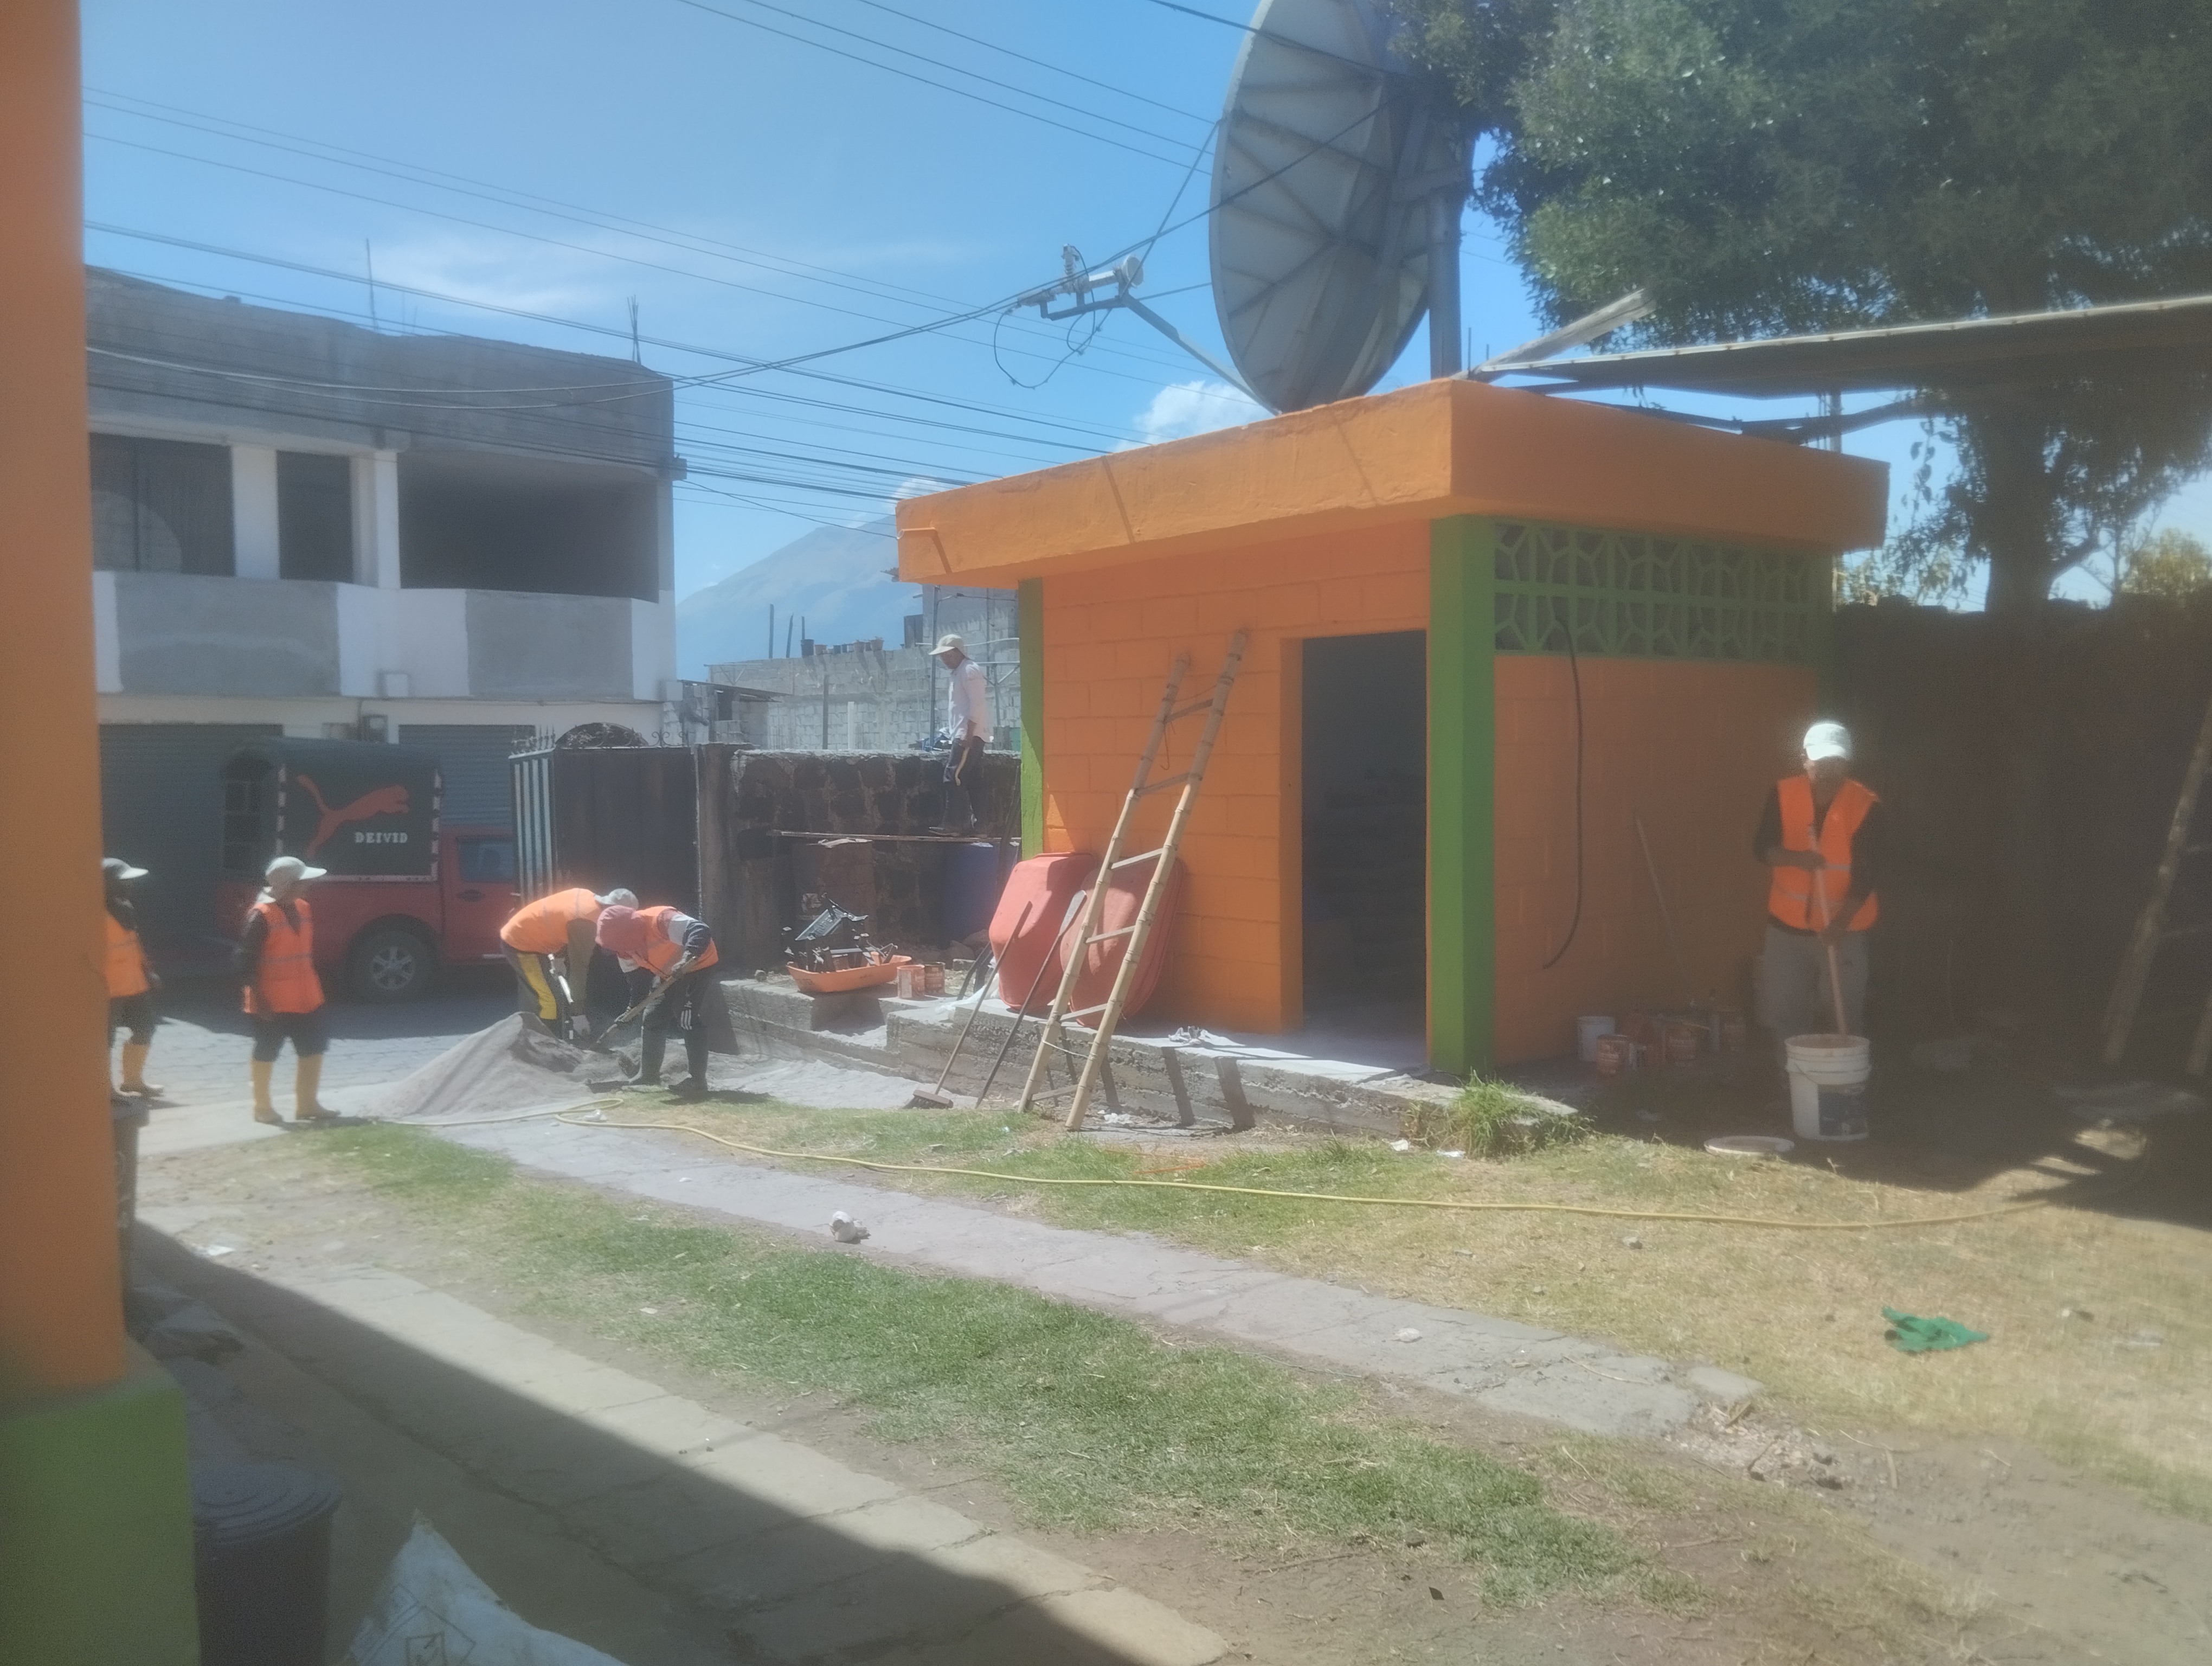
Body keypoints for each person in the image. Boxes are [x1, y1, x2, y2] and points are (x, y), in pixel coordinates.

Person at [1756, 720, 1883, 1058]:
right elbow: (1762, 847)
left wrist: (1840, 923)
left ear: (1848, 763)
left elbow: (1868, 872)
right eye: (1821, 760)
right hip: (1786, 928)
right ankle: (1793, 1077)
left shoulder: (1865, 805)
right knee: (1786, 1011)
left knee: (1843, 1012)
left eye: (1837, 761)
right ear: (1805, 759)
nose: (1829, 769)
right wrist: (1796, 858)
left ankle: (1844, 1078)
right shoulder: (1783, 794)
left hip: (1843, 930)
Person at [237, 854, 335, 1124]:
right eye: (303, 882)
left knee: (313, 1049)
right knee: (267, 1052)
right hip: (271, 1001)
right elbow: (244, 963)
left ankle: (307, 1105)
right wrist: (260, 1001)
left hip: (307, 997)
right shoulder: (260, 917)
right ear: (288, 886)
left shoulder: (303, 908)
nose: (309, 886)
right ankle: (262, 1107)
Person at [594, 903, 719, 1100]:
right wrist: (631, 1011)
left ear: (629, 933)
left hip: (697, 966)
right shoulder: (623, 949)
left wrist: (687, 958)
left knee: (686, 1018)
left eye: (619, 945)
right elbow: (638, 984)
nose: (619, 950)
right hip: (667, 974)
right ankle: (649, 1075)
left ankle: (697, 1081)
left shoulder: (661, 920)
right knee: (652, 1017)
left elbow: (700, 930)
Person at [499, 885, 635, 1040]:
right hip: (522, 944)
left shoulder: (586, 895)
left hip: (532, 938)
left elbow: (559, 920)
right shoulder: (587, 922)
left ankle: (533, 1037)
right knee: (547, 1001)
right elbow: (579, 969)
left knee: (542, 994)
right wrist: (578, 1014)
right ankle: (546, 1043)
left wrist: (559, 958)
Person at [104, 857, 163, 1102]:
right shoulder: (91, 914)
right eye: (124, 881)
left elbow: (134, 944)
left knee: (146, 1027)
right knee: (104, 1041)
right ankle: (105, 1088)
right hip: (108, 988)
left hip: (135, 983)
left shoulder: (125, 909)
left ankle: (133, 1080)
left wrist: (148, 972)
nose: (130, 885)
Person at [933, 631, 992, 835]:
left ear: (959, 652)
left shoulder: (969, 670)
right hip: (965, 733)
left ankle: (954, 824)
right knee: (973, 780)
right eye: (943, 656)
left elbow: (977, 704)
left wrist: (968, 734)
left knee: (953, 776)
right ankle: (981, 825)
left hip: (968, 735)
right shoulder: (960, 672)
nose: (945, 659)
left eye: (948, 655)